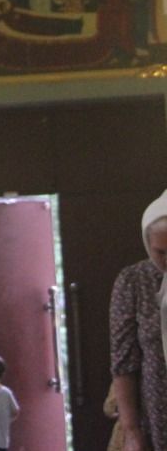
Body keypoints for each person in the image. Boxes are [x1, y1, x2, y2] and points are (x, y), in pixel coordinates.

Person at [111, 189, 167, 451]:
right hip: (158, 417)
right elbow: (124, 362)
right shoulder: (134, 281)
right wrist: (131, 430)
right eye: (160, 252)